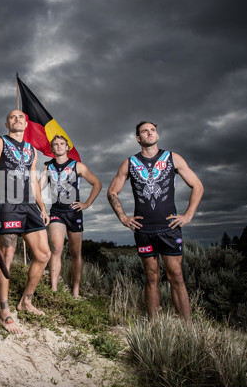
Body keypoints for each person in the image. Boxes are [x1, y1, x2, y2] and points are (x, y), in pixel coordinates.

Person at [107, 121, 203, 321]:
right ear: (138, 138)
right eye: (145, 131)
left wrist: (188, 215)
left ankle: (187, 329)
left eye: (153, 130)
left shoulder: (172, 158)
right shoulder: (130, 163)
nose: (150, 133)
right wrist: (123, 217)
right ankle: (154, 326)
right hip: (144, 230)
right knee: (151, 278)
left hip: (169, 227)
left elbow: (198, 186)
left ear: (157, 134)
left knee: (176, 277)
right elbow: (112, 192)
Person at [0, 109, 52, 334]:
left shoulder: (31, 149)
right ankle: (4, 309)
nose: (17, 119)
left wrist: (42, 206)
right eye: (12, 117)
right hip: (8, 203)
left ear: (26, 124)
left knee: (43, 254)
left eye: (21, 117)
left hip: (29, 205)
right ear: (6, 122)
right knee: (6, 256)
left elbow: (32, 181)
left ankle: (26, 301)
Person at [38, 135, 102, 297]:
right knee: (56, 249)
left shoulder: (78, 166)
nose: (59, 147)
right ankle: (54, 290)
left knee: (75, 253)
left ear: (67, 148)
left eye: (62, 144)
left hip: (74, 213)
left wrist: (86, 204)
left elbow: (97, 183)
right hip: (57, 212)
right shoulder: (48, 168)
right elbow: (37, 189)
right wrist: (42, 209)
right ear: (52, 149)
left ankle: (75, 291)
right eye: (55, 145)